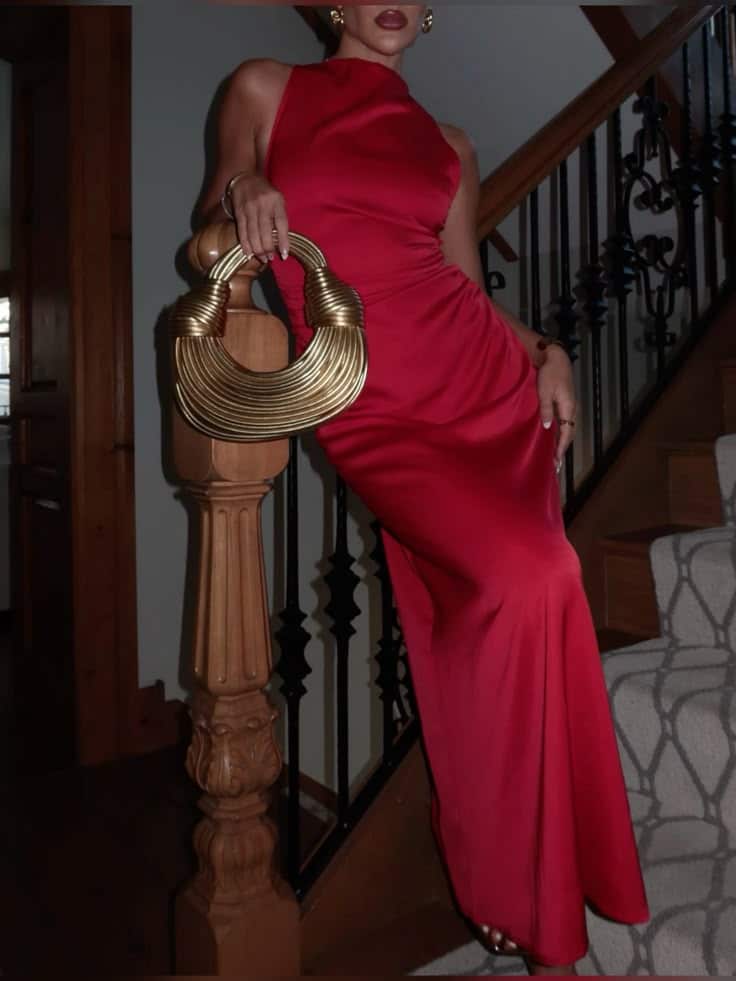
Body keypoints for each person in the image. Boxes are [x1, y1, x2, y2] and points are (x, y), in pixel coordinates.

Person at [198, 5, 649, 974]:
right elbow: (210, 218)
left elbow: (461, 286)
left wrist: (548, 350)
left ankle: (534, 914)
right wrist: (245, 184)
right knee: (534, 578)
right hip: (370, 404)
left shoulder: (450, 144)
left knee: (536, 590)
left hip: (478, 386)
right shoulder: (263, 89)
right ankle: (518, 886)